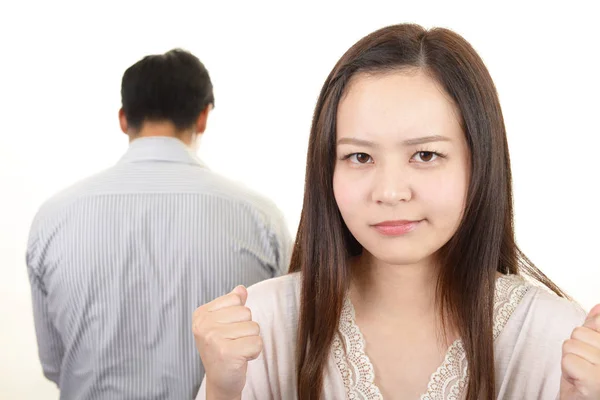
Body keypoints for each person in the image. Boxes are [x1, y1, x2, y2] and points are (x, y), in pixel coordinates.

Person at [192, 24, 600, 400]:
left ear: (480, 163)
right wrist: (223, 391)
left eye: (425, 154)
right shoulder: (261, 326)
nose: (389, 191)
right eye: (359, 156)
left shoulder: (556, 339)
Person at [26, 48, 292, 400]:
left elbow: (55, 365)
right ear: (203, 117)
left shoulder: (52, 218)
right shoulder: (261, 218)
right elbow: (284, 349)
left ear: (123, 119)